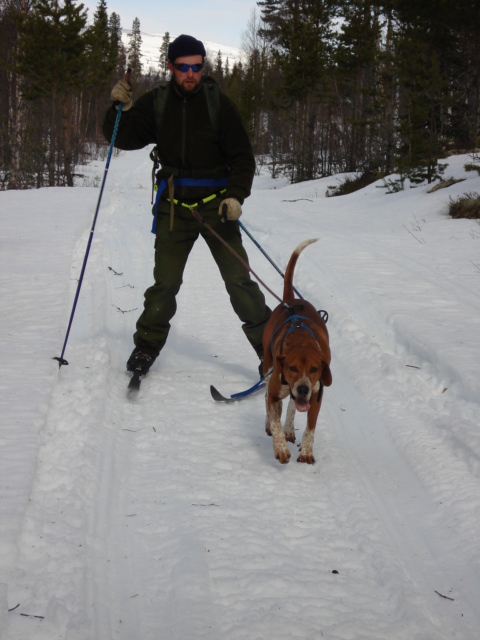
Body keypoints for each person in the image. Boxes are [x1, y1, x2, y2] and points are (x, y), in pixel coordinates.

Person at [102, 34, 271, 378]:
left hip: (216, 206)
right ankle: (146, 347)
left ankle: (269, 351)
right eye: (183, 67)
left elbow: (242, 157)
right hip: (174, 206)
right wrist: (119, 108)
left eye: (196, 66)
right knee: (165, 283)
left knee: (239, 281)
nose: (191, 74)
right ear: (171, 67)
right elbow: (123, 136)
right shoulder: (158, 102)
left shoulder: (218, 105)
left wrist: (236, 196)